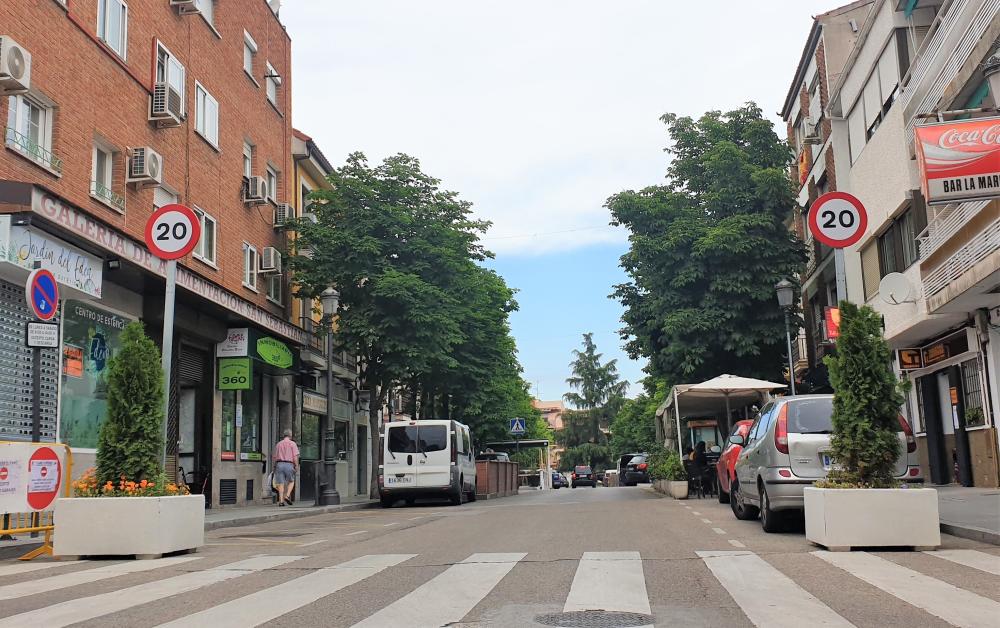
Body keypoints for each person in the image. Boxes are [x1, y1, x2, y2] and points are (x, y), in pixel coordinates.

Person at [272, 429, 299, 507]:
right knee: (291, 481)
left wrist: (274, 466)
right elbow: (295, 456)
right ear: (290, 435)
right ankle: (287, 496)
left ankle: (281, 501)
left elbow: (275, 457)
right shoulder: (292, 444)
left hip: (279, 464)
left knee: (280, 483)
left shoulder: (278, 444)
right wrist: (296, 465)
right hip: (289, 464)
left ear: (284, 435)